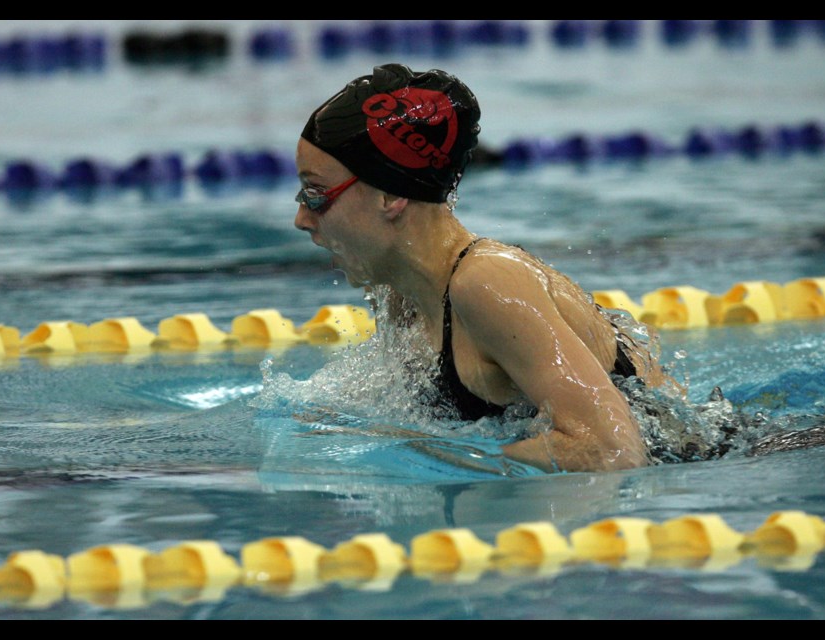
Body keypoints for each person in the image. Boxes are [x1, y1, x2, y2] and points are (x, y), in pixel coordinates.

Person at [292, 63, 683, 474]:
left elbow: (612, 453)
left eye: (316, 193)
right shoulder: (399, 289)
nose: (301, 217)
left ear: (390, 195)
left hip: (683, 477)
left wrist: (417, 452)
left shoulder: (487, 283)